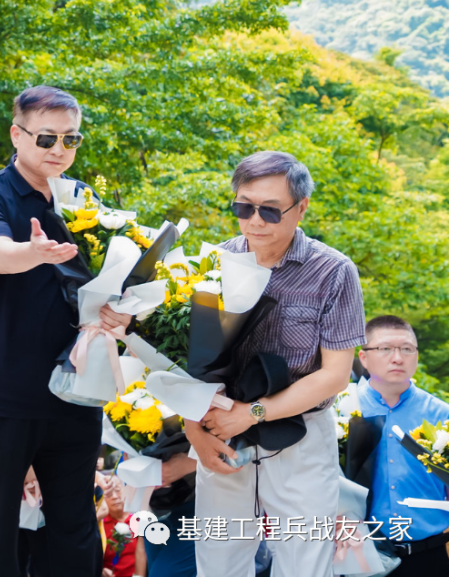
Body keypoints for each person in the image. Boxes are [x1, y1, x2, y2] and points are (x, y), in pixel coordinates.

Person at [0, 85, 130, 577]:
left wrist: (121, 307)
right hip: (8, 393)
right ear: (17, 135)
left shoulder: (85, 200)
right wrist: (33, 251)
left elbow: (107, 280)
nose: (60, 150)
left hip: (78, 389)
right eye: (47, 138)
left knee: (76, 523)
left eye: (71, 139)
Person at [191, 150, 366, 577]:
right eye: (242, 207)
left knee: (304, 563)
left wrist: (250, 415)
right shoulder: (212, 262)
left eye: (270, 211)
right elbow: (183, 363)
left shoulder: (333, 272)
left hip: (300, 437)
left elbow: (335, 375)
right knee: (218, 562)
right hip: (219, 434)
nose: (254, 221)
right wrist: (195, 431)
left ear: (301, 207)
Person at [356, 315, 449, 575]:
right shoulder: (343, 409)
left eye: (407, 349)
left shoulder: (442, 416)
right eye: (385, 349)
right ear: (364, 357)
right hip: (357, 554)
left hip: (429, 556)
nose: (397, 357)